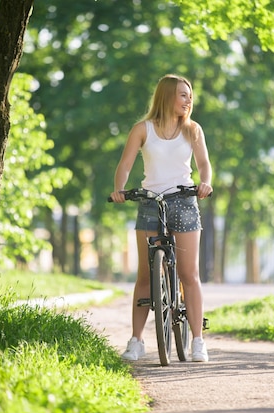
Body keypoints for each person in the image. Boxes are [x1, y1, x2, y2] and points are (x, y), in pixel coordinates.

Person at [110, 74, 213, 362]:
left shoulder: (192, 130)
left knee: (189, 274)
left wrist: (205, 183)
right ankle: (137, 340)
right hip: (150, 202)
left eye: (189, 95)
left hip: (184, 201)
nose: (188, 100)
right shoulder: (142, 129)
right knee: (144, 275)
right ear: (166, 96)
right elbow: (125, 164)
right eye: (182, 94)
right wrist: (119, 189)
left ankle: (197, 341)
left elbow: (204, 165)